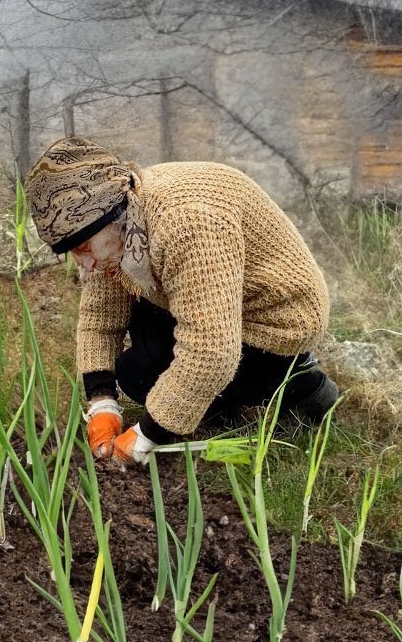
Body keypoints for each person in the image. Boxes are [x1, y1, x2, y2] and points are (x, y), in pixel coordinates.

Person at [25, 137, 338, 465]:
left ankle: (304, 384)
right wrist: (102, 403)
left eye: (84, 248)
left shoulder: (185, 222)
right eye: (73, 252)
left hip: (275, 318)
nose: (83, 264)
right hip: (213, 300)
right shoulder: (120, 229)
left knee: (156, 371)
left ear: (112, 217)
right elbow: (100, 319)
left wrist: (147, 435)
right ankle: (215, 406)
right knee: (136, 372)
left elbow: (211, 349)